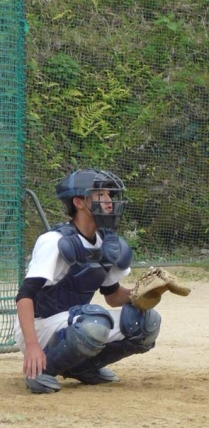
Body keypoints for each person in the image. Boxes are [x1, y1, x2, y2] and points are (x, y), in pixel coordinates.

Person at [14, 168, 161, 394]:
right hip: (38, 326)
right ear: (79, 202)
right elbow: (25, 296)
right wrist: (32, 346)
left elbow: (112, 296)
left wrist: (143, 292)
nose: (109, 200)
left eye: (110, 194)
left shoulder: (106, 243)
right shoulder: (54, 241)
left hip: (74, 322)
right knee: (94, 323)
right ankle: (41, 370)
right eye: (100, 194)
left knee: (146, 322)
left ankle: (84, 368)